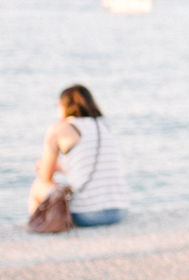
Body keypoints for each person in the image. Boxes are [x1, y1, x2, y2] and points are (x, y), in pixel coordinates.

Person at [29, 85, 131, 227]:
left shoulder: (59, 129)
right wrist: (60, 168)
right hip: (119, 211)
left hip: (87, 215)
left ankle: (39, 226)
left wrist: (49, 168)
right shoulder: (104, 126)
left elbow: (45, 177)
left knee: (38, 186)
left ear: (63, 105)